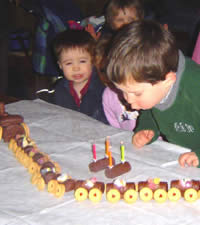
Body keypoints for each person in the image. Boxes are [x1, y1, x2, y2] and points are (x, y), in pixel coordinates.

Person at [106, 19, 200, 168]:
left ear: (168, 81)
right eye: (123, 92)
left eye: (136, 94)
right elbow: (151, 110)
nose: (129, 101)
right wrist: (147, 127)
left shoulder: (195, 86)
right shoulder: (157, 77)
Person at [52, 29, 108, 124]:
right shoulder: (60, 88)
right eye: (69, 63)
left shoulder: (103, 88)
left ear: (93, 60)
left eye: (82, 61)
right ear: (60, 65)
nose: (76, 68)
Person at [94, 33, 139, 130]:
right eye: (103, 71)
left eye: (113, 69)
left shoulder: (140, 89)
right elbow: (115, 127)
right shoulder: (107, 95)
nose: (109, 76)